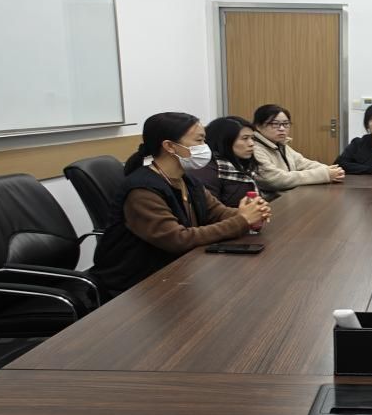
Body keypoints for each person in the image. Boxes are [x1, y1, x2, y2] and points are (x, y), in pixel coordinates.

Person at [93, 112, 271, 298]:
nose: (205, 147)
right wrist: (242, 220)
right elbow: (178, 239)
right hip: (137, 287)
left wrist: (252, 213)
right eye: (199, 140)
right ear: (170, 146)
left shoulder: (187, 180)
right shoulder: (142, 191)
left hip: (176, 271)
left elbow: (217, 212)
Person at [250, 104, 345, 191]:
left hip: (289, 195)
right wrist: (325, 174)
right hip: (272, 200)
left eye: (286, 124)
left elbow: (302, 163)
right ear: (258, 126)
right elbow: (276, 180)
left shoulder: (280, 144)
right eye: (275, 124)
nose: (282, 128)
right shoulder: (254, 148)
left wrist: (330, 170)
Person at [194, 115, 273, 206]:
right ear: (225, 141)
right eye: (245, 138)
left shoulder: (242, 164)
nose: (251, 143)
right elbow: (211, 211)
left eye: (252, 138)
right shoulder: (207, 171)